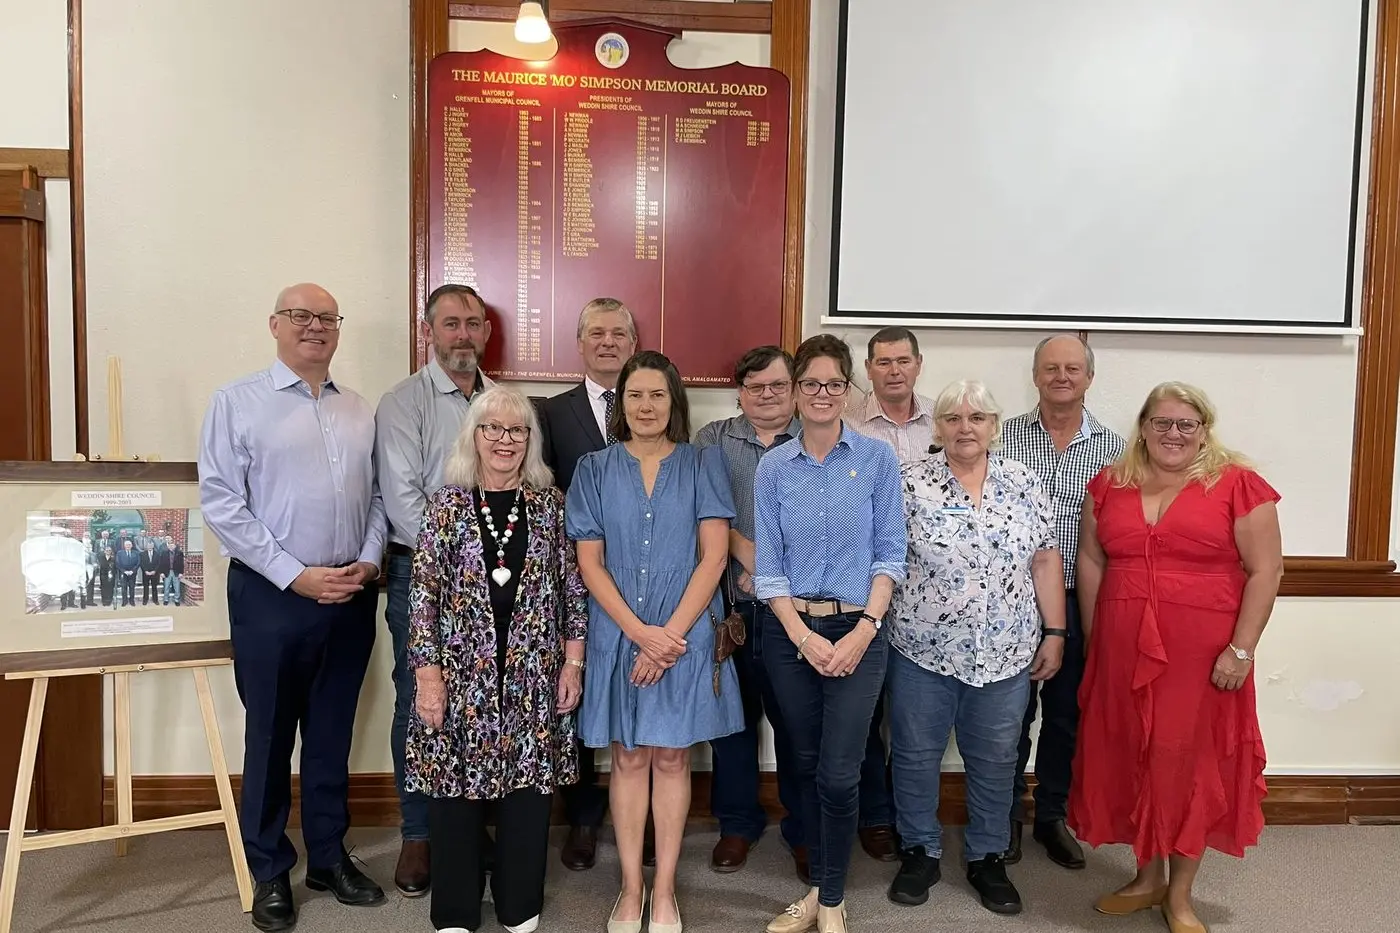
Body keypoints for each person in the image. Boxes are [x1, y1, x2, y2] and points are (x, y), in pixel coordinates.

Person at [199, 283, 387, 932]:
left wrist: (366, 561)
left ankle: (330, 858)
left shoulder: (360, 410)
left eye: (327, 318)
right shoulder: (237, 402)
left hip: (349, 593)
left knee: (333, 735)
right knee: (272, 734)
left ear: (339, 328)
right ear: (275, 324)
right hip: (272, 595)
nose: (315, 327)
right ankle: (270, 867)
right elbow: (223, 503)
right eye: (301, 316)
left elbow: (379, 499)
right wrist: (294, 575)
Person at [1069, 382, 1283, 933]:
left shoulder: (1238, 486)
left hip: (1202, 655)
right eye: (1162, 422)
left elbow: (1266, 572)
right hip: (1121, 648)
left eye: (1187, 424)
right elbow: (1091, 560)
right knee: (1133, 754)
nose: (1173, 434)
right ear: (1142, 426)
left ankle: (1180, 893)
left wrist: (1241, 650)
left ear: (1204, 430)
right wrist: (1097, 640)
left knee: (1188, 762)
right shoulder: (1110, 485)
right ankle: (1147, 878)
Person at [565, 349, 743, 933]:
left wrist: (667, 638)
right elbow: (589, 564)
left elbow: (715, 556)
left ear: (674, 403)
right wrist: (641, 635)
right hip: (619, 633)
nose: (646, 405)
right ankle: (629, 888)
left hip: (685, 635)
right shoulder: (594, 468)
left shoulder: (703, 463)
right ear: (622, 403)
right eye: (636, 394)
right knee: (627, 755)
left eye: (658, 395)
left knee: (671, 757)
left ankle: (664, 891)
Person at [406, 385, 587, 933]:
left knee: (528, 793)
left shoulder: (550, 503)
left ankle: (518, 902)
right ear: (474, 437)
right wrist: (428, 674)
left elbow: (572, 588)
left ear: (529, 441)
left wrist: (572, 662)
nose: (505, 441)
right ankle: (457, 905)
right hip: (460, 674)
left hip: (535, 672)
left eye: (517, 431)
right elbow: (423, 592)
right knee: (453, 788)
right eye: (493, 429)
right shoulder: (447, 503)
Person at [885, 380, 1065, 916]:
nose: (966, 427)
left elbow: (1045, 561)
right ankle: (919, 849)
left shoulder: (1026, 482)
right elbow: (885, 562)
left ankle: (988, 856)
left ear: (995, 425)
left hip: (1006, 652)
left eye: (978, 417)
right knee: (915, 757)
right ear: (937, 428)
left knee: (995, 758)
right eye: (954, 418)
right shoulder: (907, 484)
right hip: (922, 650)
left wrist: (1055, 632)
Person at [755, 334, 907, 933]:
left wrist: (863, 630)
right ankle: (818, 890)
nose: (822, 394)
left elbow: (890, 556)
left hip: (860, 631)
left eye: (834, 384)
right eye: (810, 383)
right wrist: (802, 636)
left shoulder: (875, 461)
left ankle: (833, 897)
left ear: (849, 390)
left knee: (842, 773)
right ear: (795, 392)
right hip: (792, 632)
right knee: (805, 761)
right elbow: (769, 569)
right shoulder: (774, 465)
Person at [375, 283, 496, 897]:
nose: (463, 335)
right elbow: (403, 502)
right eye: (451, 324)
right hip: (420, 576)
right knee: (420, 701)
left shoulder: (504, 403)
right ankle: (419, 831)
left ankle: (474, 824)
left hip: (500, 584)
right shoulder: (404, 403)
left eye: (473, 324)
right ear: (429, 332)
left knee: (487, 699)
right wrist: (469, 559)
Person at [1000, 334, 1124, 869]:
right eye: (1051, 368)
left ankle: (1051, 814)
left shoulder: (1116, 450)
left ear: (1089, 378)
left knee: (1067, 714)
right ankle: (1003, 814)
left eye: (1073, 368)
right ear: (1035, 375)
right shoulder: (1001, 439)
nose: (1061, 377)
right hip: (1011, 601)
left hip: (1082, 600)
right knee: (1010, 715)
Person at [537, 297, 646, 871]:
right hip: (578, 580)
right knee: (576, 695)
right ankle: (581, 817)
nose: (608, 343)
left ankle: (643, 812)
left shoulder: (655, 407)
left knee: (643, 690)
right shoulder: (551, 413)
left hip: (651, 580)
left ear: (633, 343)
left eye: (619, 333)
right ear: (580, 344)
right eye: (596, 334)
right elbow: (546, 492)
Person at [694, 345, 806, 879]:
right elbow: (701, 513)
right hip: (728, 612)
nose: (766, 395)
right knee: (732, 726)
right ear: (739, 391)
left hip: (799, 615)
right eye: (755, 387)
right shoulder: (711, 441)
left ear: (794, 389)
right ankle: (737, 823)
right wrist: (745, 554)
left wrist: (777, 576)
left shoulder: (816, 439)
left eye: (777, 386)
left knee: (797, 725)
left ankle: (802, 828)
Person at [840, 325, 935, 862]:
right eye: (883, 362)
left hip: (930, 594)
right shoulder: (847, 429)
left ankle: (912, 815)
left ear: (918, 364)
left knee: (915, 715)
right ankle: (876, 815)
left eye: (903, 360)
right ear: (869, 370)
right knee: (868, 711)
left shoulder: (943, 425)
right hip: (865, 589)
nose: (894, 370)